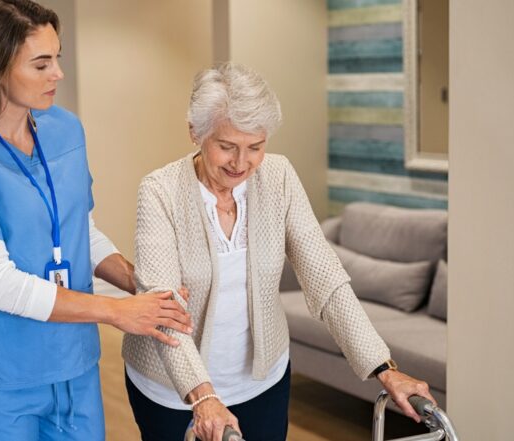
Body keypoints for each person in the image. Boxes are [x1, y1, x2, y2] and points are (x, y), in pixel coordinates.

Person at [121, 62, 436, 441]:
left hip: (261, 380)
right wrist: (203, 397)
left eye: (256, 147)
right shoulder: (160, 191)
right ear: (195, 132)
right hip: (172, 389)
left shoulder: (279, 176)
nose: (242, 163)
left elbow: (326, 278)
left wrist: (383, 367)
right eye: (227, 147)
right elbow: (163, 307)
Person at [0, 1, 192, 440]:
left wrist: (139, 285)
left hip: (75, 365)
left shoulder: (65, 129)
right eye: (41, 63)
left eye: (57, 58)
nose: (58, 75)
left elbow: (77, 229)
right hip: (1, 377)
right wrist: (118, 312)